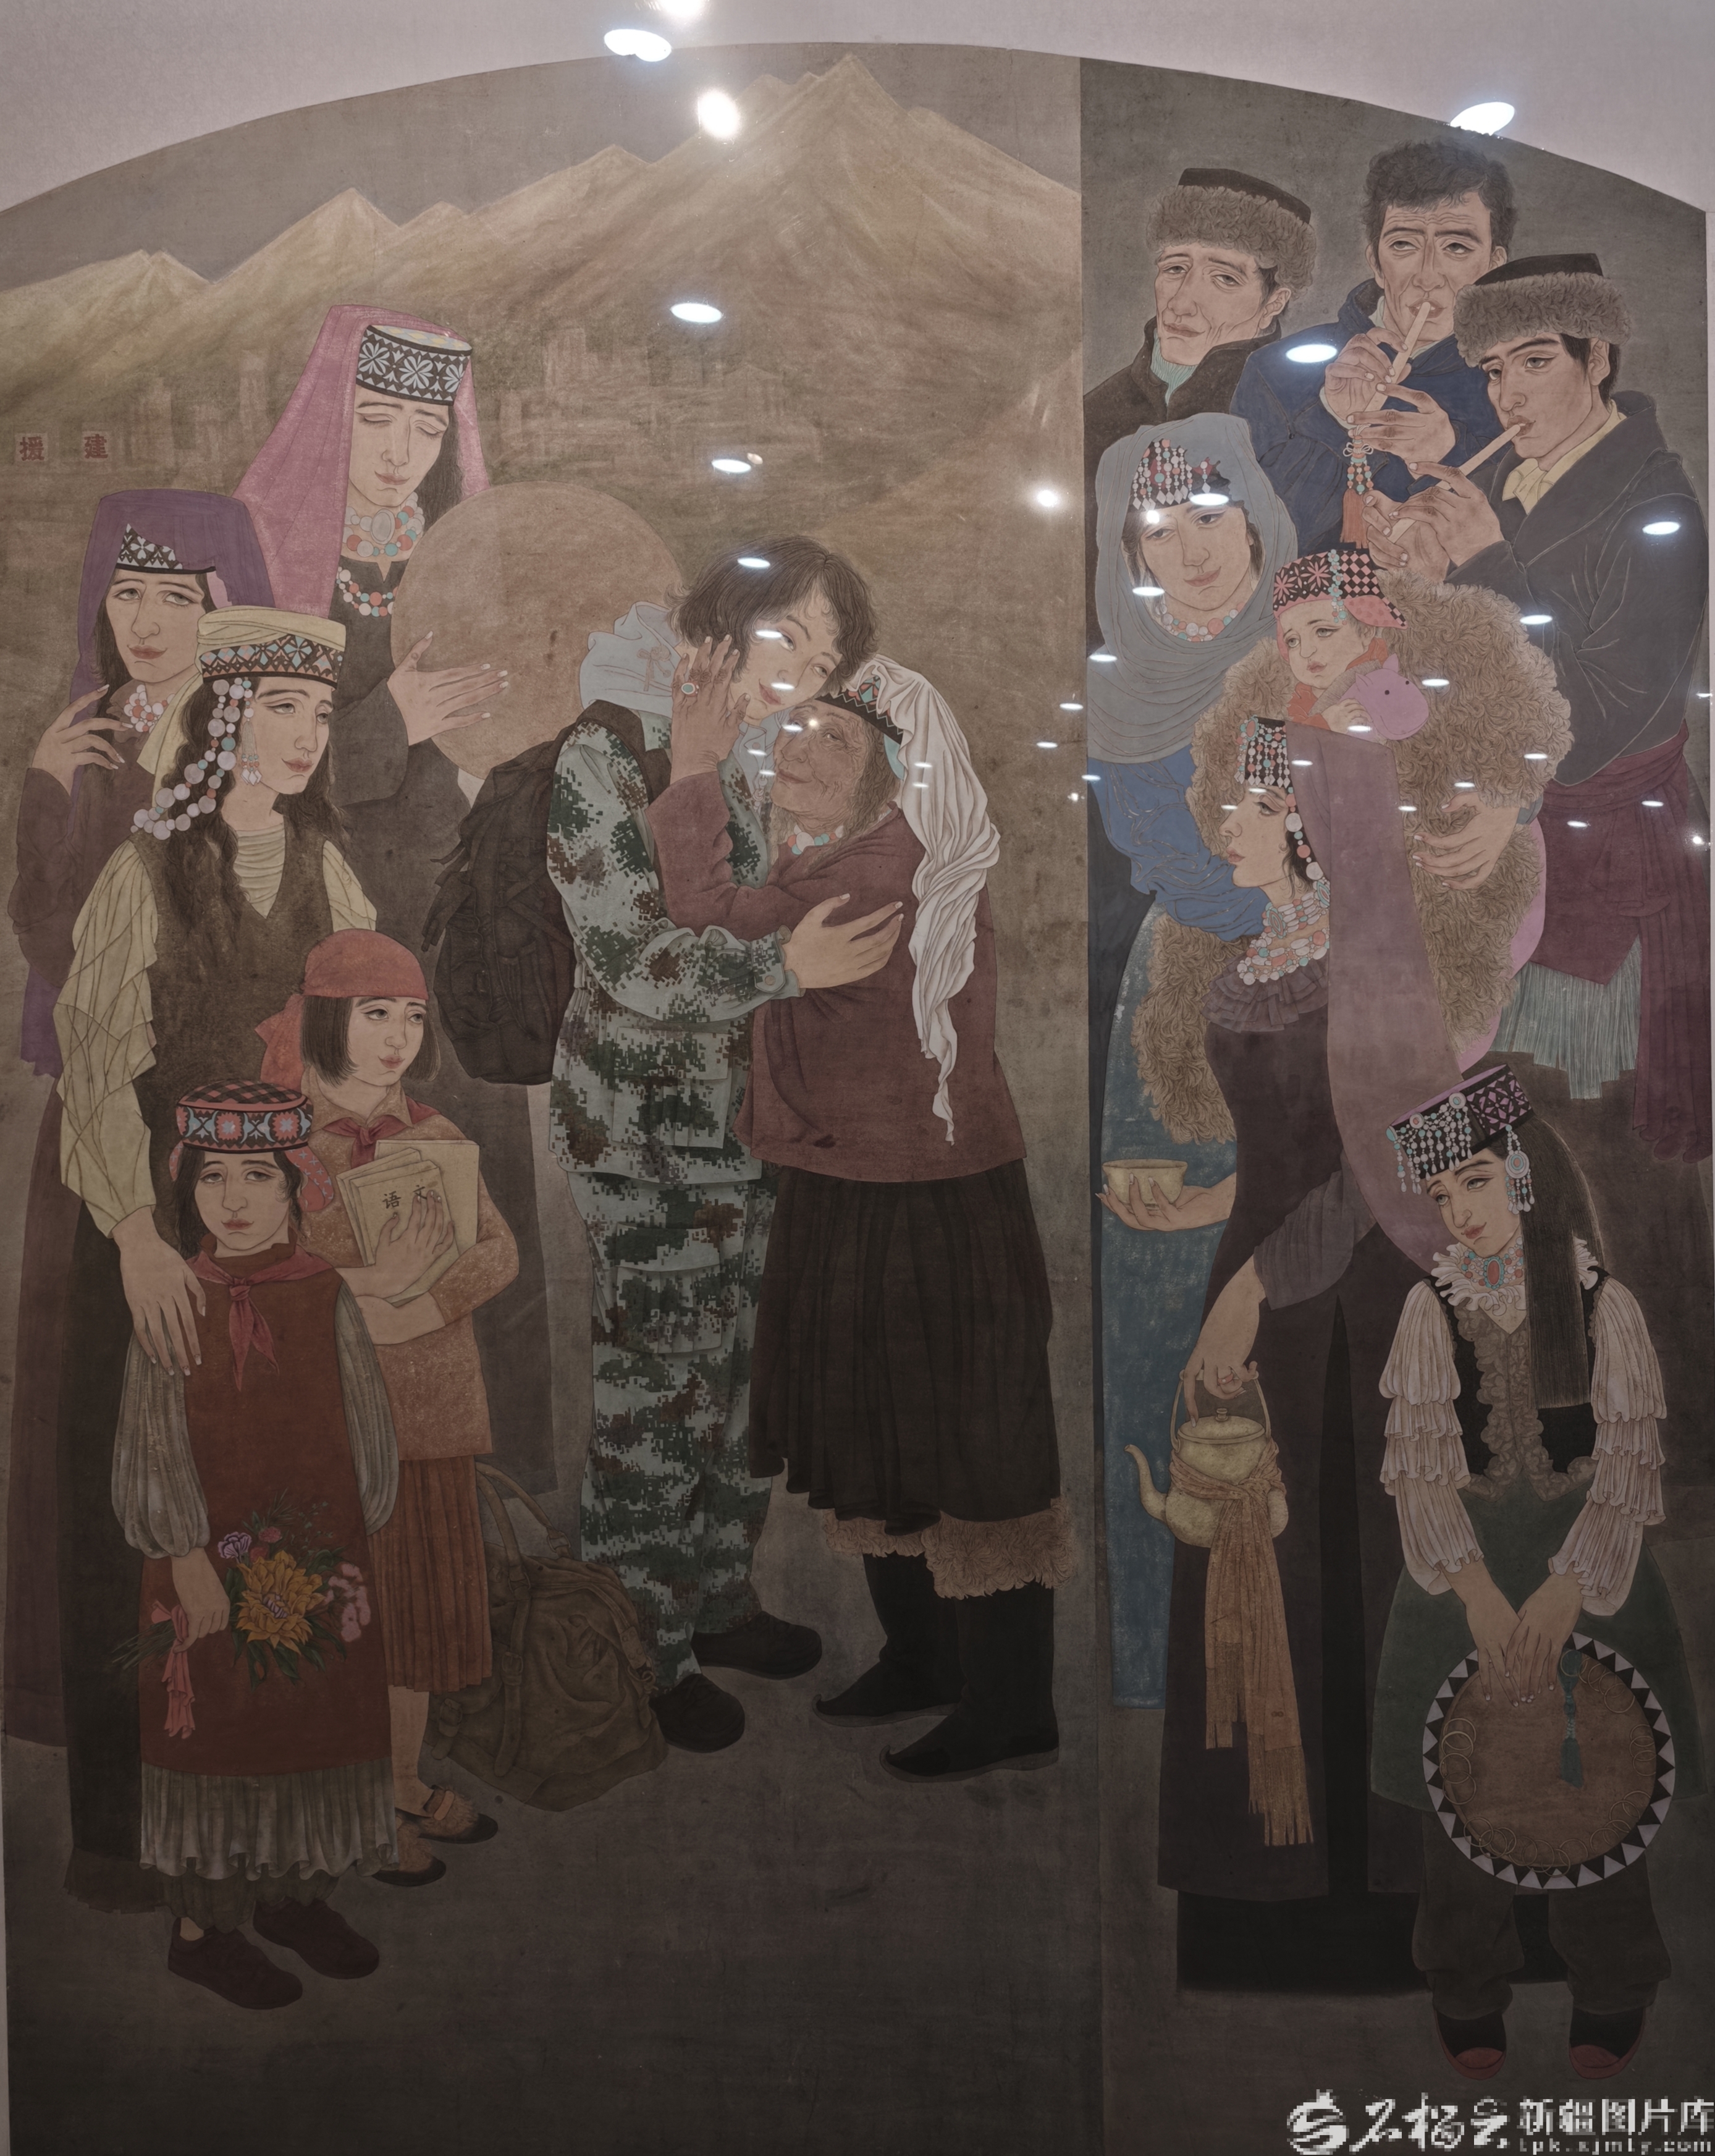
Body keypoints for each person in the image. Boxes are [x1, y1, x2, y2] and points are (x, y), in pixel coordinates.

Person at [1102, 683, 1551, 1989]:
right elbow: (1291, 1147)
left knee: (1377, 1572)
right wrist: (1202, 1209)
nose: (1224, 824)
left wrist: (1252, 1286)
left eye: (1252, 803)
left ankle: (1409, 1901)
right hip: (1262, 1292)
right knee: (1266, 1580)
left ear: (1312, 821)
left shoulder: (1381, 953)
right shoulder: (1252, 960)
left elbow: (1394, 1161)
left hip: (1366, 1309)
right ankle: (1266, 1899)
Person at [649, 649, 1068, 1781]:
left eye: (832, 738)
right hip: (854, 1185)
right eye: (790, 730)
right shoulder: (837, 853)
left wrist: (690, 774)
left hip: (934, 1205)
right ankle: (924, 1659)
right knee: (876, 1431)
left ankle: (1011, 1704)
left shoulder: (881, 870)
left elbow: (706, 915)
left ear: (893, 773)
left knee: (969, 1450)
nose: (796, 750)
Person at [1375, 253, 1715, 1523]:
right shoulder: (1512, 478)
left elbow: (1607, 707)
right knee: (1508, 1163)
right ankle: (1551, 1422)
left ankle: (1684, 1462)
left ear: (1598, 360)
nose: (1509, 391)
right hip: (1499, 877)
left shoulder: (1656, 498)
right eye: (1493, 368)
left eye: (1535, 362)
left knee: (1624, 1172)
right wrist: (1428, 574)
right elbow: (1475, 671)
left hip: (1604, 883)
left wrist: (1491, 562)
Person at [549, 539, 903, 1754]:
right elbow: (629, 957)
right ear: (716, 620)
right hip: (645, 1136)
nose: (803, 669)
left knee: (745, 1385)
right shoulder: (607, 749)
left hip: (755, 1129)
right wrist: (784, 965)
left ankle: (714, 1598)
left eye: (824, 655)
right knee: (658, 1399)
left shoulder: (761, 757)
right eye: (784, 635)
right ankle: (637, 1648)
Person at [53, 606, 373, 1911]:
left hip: (283, 1251)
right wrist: (136, 1235)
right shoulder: (145, 871)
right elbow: (92, 1069)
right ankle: (136, 1852)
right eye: (280, 708)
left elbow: (359, 1052)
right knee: (150, 1536)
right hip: (154, 1240)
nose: (304, 736)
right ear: (222, 717)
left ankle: (283, 1848)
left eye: (321, 714)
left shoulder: (330, 868)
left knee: (289, 1526)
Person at [235, 305, 556, 1497]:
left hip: (444, 908)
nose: (398, 451)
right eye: (376, 419)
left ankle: (491, 1482)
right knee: (327, 1181)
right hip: (317, 912)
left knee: (466, 1174)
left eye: (425, 428)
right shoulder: (271, 553)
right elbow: (242, 763)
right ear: (336, 418)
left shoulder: (457, 551)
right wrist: (389, 723)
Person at [1369, 1067, 1703, 2081]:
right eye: (1442, 1195)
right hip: (1459, 1576)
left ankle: (1612, 1975)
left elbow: (1628, 1473)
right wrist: (1475, 1595)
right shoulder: (1429, 1312)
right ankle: (1466, 1981)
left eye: (1474, 1181)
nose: (1460, 1213)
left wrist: (1567, 1590)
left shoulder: (1607, 1309)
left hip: (1589, 1574)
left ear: (1527, 1173)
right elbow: (1420, 1475)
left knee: (1598, 1772)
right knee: (1461, 1785)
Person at [4, 491, 271, 1748]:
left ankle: (258, 1717)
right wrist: (46, 795)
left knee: (238, 1397)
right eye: (128, 593)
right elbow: (56, 942)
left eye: (181, 597)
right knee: (100, 1397)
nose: (150, 622)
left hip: (233, 1113)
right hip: (105, 1113)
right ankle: (112, 1711)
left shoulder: (262, 734)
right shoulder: (89, 742)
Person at [112, 1080, 398, 2009]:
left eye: (257, 1178)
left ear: (294, 1187)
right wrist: (185, 1553)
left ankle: (293, 1894)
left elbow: (365, 1418)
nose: (233, 1200)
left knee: (309, 1711)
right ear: (187, 1188)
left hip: (315, 1546)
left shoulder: (323, 1291)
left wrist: (355, 1531)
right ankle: (204, 1930)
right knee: (221, 1722)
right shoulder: (174, 1294)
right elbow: (150, 1436)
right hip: (203, 1549)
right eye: (213, 1179)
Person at [257, 930, 518, 1883]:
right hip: (329, 1422)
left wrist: (425, 1303)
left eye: (412, 1017)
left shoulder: (438, 1136)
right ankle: (343, 1797)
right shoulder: (282, 1140)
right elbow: (262, 1272)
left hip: (431, 1419)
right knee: (338, 1620)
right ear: (329, 1019)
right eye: (377, 1016)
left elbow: (498, 1250)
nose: (399, 1037)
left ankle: (400, 1783)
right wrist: (363, 1298)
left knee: (414, 1622)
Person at [1231, 140, 1514, 554]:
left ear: (1494, 265)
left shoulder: (1524, 379)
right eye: (1403, 245)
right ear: (1377, 263)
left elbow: (1541, 542)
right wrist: (1332, 421)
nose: (1428, 276)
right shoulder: (1275, 372)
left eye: (1456, 247)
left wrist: (1450, 451)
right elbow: (1249, 547)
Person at [1083, 167, 1316, 646]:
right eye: (1174, 269)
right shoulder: (1094, 413)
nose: (1183, 303)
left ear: (1274, 302)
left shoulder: (1304, 415)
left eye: (1224, 278)